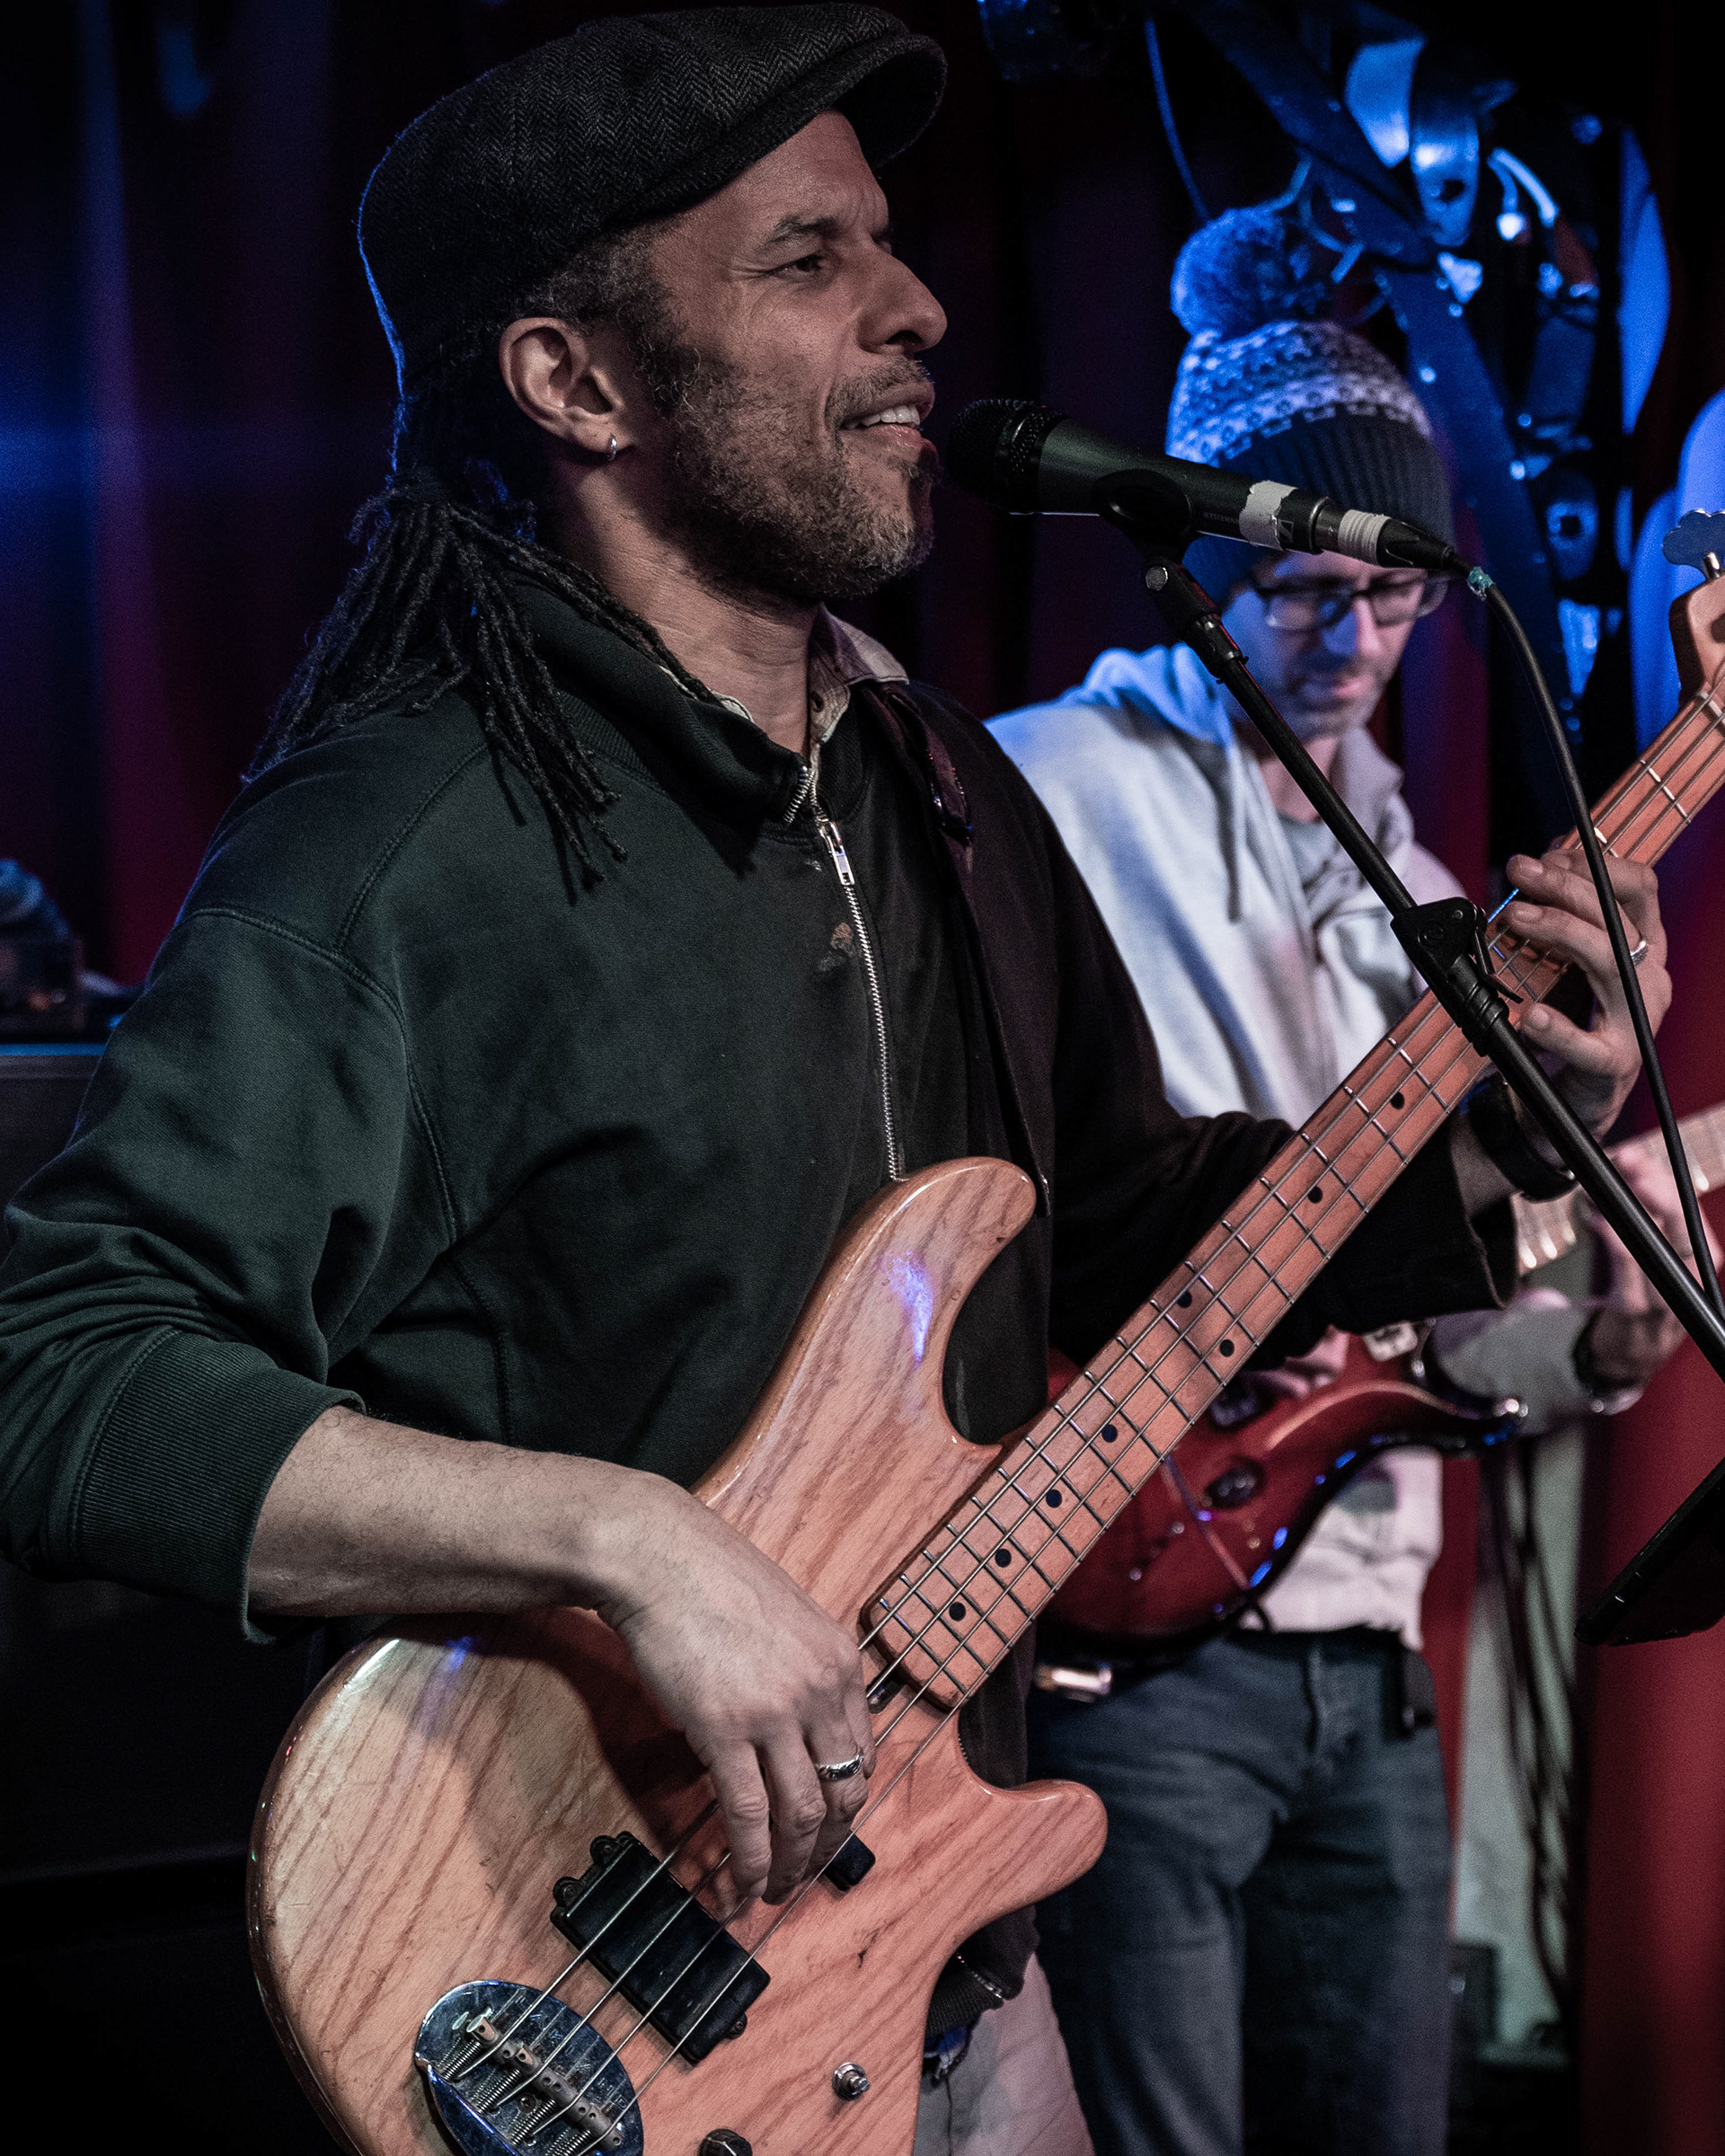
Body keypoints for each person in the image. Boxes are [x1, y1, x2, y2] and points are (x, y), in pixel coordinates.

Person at [0, 25, 1667, 2154]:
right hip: (584, 1974)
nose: (920, 311)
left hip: (943, 1937)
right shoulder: (405, 842)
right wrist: (622, 1542)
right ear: (577, 383)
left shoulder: (941, 789)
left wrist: (1502, 1120)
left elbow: (1140, 1220)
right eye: (807, 260)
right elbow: (59, 1370)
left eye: (889, 244)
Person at [988, 203, 1697, 2156]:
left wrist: (1592, 1349)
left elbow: (1439, 1342)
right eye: (1307, 587)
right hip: (1129, 1640)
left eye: (1392, 600)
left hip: (1366, 1648)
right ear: (1214, 559)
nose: (1355, 641)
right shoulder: (1048, 787)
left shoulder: (1433, 889)